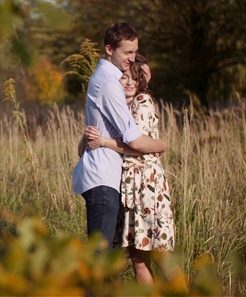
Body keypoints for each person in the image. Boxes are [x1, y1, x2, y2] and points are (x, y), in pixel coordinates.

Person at [84, 56, 183, 287]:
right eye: (124, 77)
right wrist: (91, 136)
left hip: (146, 186)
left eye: (135, 78)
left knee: (162, 253)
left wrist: (103, 142)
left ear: (141, 82)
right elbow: (87, 145)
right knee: (138, 259)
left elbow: (137, 146)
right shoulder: (119, 105)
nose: (129, 83)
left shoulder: (142, 101)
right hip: (128, 186)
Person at [72, 22, 167, 251]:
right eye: (127, 52)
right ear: (109, 49)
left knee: (103, 257)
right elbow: (134, 140)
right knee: (100, 258)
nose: (132, 58)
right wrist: (162, 144)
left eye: (135, 52)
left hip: (106, 178)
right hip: (103, 178)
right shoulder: (108, 84)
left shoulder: (105, 80)